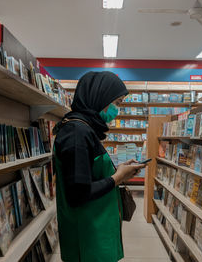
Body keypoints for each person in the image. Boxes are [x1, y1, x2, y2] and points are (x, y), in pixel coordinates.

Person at [53, 71, 145, 262]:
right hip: (87, 238)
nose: (117, 110)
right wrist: (118, 177)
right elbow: (78, 194)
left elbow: (88, 171)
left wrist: (118, 170)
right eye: (116, 103)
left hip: (96, 230)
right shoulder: (77, 133)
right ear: (99, 96)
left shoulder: (84, 129)